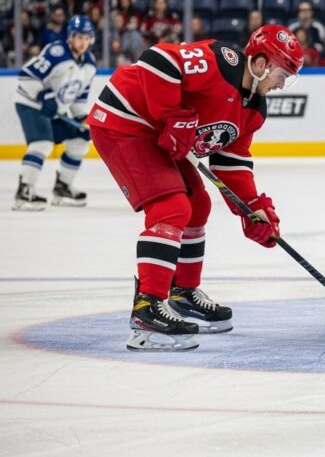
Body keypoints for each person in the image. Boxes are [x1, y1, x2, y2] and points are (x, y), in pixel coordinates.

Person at [85, 24, 304, 351]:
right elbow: (157, 59)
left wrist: (252, 209)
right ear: (260, 64)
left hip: (158, 137)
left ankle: (183, 293)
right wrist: (171, 114)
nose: (281, 85)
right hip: (125, 121)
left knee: (197, 205)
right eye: (281, 75)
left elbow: (232, 161)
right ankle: (147, 309)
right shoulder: (220, 62)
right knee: (171, 208)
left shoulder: (253, 109)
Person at [13, 15, 96, 211]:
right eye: (78, 37)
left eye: (86, 37)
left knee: (80, 139)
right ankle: (24, 192)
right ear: (70, 36)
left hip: (54, 110)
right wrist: (44, 95)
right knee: (41, 144)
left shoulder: (90, 64)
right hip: (30, 104)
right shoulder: (57, 52)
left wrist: (82, 119)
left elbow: (79, 98)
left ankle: (62, 188)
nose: (82, 42)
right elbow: (26, 76)